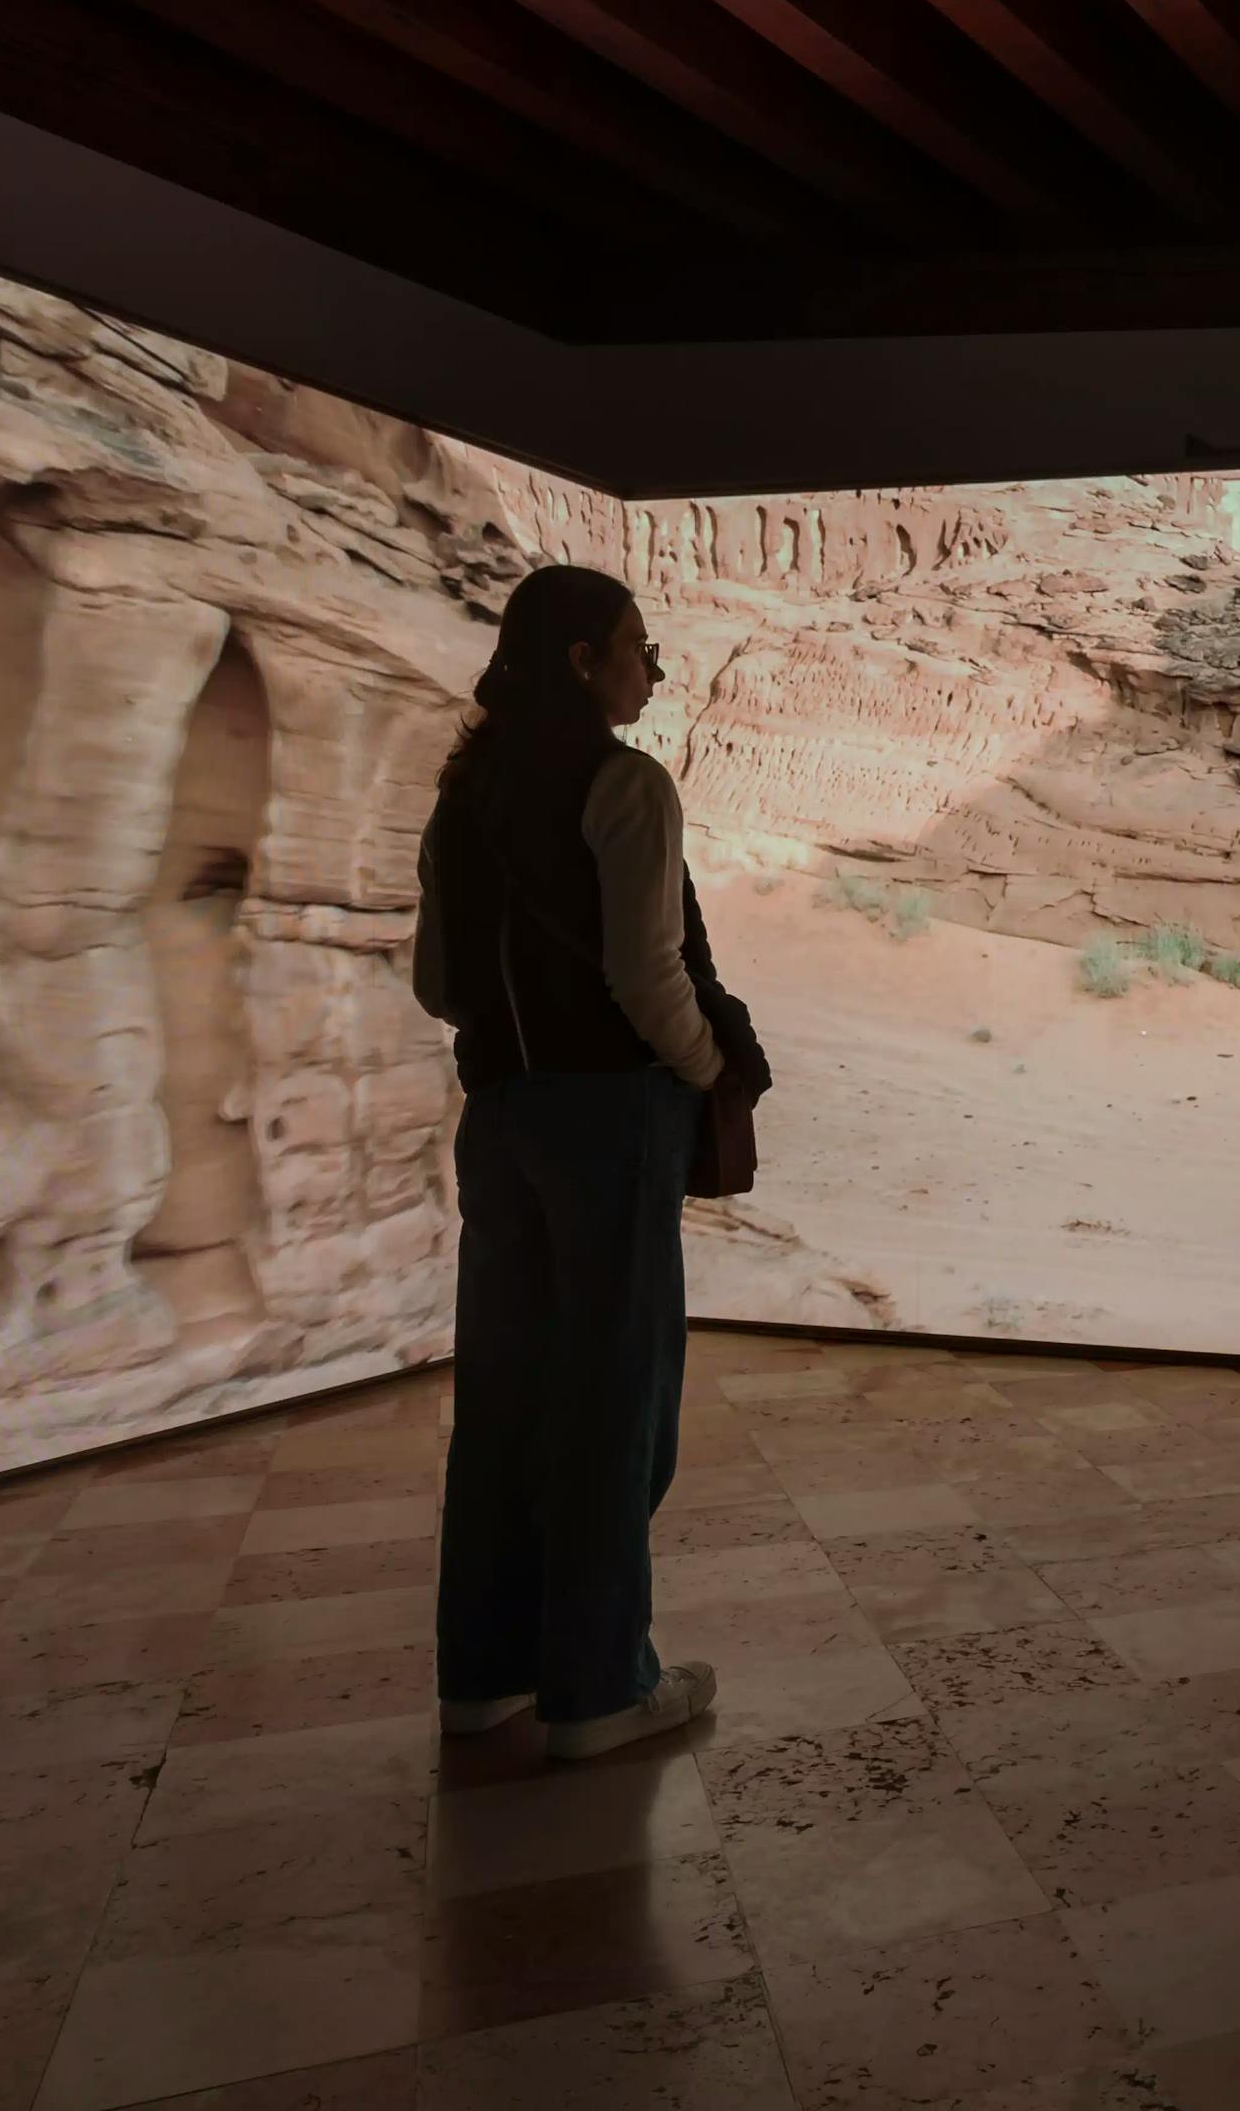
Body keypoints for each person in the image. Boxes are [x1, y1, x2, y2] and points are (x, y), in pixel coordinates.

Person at [412, 564, 771, 1760]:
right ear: (580, 659)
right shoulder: (626, 783)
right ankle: (599, 1689)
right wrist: (714, 1070)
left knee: (506, 1400)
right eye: (636, 645)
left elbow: (436, 983)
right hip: (610, 1120)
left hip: (499, 1114)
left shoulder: (464, 790)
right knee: (618, 1404)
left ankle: (485, 1675)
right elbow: (647, 974)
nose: (652, 668)